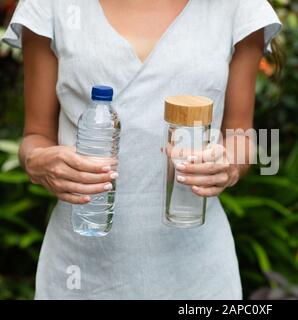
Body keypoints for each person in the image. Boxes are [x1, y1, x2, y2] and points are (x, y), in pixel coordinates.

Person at [2, 0, 282, 299]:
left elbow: (241, 137)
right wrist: (38, 161)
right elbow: (35, 136)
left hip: (197, 273)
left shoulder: (239, 7)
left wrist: (228, 164)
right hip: (82, 270)